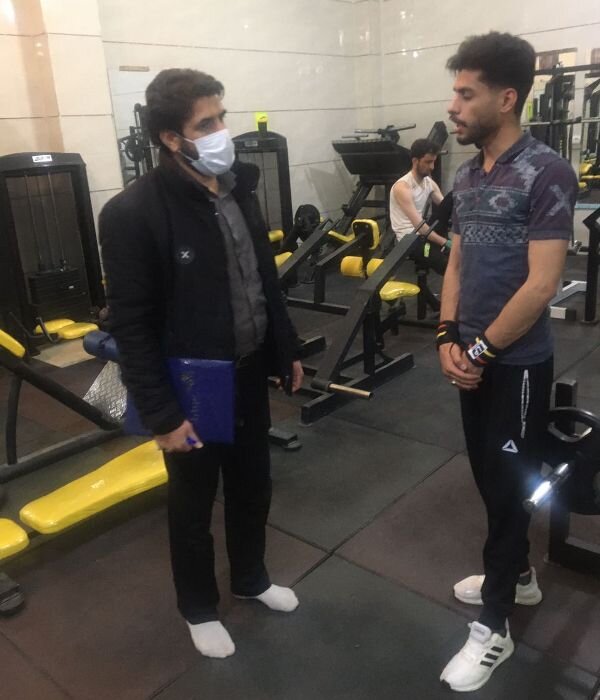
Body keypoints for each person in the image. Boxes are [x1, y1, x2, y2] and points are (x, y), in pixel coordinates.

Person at [99, 68, 304, 659]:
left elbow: (262, 280)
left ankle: (251, 578)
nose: (221, 132)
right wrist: (162, 416)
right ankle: (198, 607)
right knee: (192, 503)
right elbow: (132, 326)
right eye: (206, 124)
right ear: (171, 138)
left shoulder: (237, 188)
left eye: (221, 117)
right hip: (192, 384)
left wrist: (285, 347)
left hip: (248, 369)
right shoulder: (132, 213)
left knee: (253, 485)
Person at [437, 32, 578, 692]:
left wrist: (480, 350)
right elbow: (457, 263)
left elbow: (542, 284)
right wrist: (446, 335)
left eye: (466, 94)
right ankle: (518, 576)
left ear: (506, 98)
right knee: (490, 481)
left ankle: (494, 627)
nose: (453, 106)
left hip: (517, 365)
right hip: (470, 357)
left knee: (510, 487)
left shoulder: (547, 171)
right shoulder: (466, 175)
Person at [390, 138, 451, 275]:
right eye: (428, 162)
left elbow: (445, 208)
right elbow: (420, 227)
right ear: (415, 161)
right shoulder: (402, 187)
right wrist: (445, 242)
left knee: (453, 196)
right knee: (446, 265)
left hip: (424, 234)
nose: (432, 167)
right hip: (409, 239)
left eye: (433, 162)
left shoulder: (429, 183)